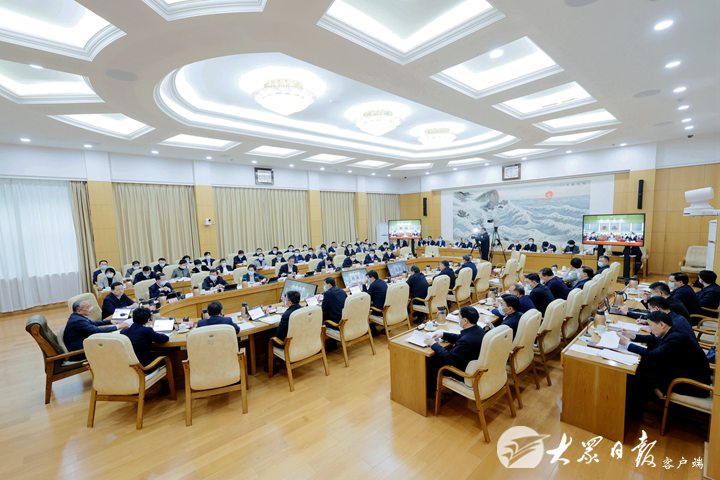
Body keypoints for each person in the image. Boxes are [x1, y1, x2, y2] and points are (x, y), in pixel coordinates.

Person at [620, 311, 711, 417]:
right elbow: (654, 338)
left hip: (692, 383)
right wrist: (633, 336)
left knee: (640, 374)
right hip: (683, 370)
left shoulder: (675, 339)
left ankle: (633, 411)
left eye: (651, 326)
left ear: (662, 325)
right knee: (644, 367)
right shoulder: (671, 329)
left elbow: (653, 355)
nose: (650, 330)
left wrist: (627, 344)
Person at [423, 306, 486, 393]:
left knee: (430, 361)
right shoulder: (479, 330)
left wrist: (433, 344)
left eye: (459, 317)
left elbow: (449, 358)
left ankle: (429, 392)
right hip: (470, 362)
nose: (458, 319)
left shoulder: (466, 340)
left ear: (465, 321)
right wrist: (443, 334)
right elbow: (461, 337)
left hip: (462, 371)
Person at [64, 299, 130, 352]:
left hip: (85, 342)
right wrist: (118, 326)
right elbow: (96, 330)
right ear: (79, 310)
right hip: (80, 350)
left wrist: (110, 321)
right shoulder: (78, 321)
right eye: (88, 307)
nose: (90, 309)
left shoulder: (77, 317)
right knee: (115, 343)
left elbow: (93, 323)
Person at [624, 281, 691, 323]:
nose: (651, 295)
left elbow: (651, 315)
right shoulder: (669, 299)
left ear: (660, 293)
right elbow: (651, 311)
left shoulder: (670, 305)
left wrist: (627, 313)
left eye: (652, 293)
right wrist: (646, 300)